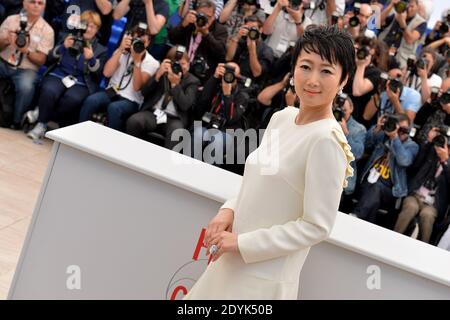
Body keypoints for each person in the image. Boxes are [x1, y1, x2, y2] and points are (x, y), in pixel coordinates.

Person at [184, 25, 355, 300]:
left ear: (344, 79)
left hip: (262, 280)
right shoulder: (282, 118)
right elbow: (256, 182)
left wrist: (242, 243)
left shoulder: (327, 141)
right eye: (306, 66)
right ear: (293, 69)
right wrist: (228, 210)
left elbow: (316, 226)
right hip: (228, 260)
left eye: (326, 71)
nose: (312, 80)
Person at [27, 10, 107, 140]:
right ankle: (41, 125)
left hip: (81, 82)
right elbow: (50, 57)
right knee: (49, 90)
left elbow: (99, 74)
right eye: (86, 24)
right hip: (59, 74)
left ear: (97, 29)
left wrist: (91, 58)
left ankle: (40, 113)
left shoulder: (101, 49)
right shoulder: (68, 37)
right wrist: (63, 46)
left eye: (93, 26)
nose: (88, 28)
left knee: (72, 99)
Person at [79, 24, 160, 131]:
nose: (138, 44)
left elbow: (137, 87)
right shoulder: (122, 51)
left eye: (142, 42)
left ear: (148, 42)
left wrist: (137, 62)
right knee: (91, 100)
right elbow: (107, 73)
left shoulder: (152, 62)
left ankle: (110, 144)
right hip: (111, 92)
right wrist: (121, 49)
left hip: (131, 100)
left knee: (114, 108)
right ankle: (79, 132)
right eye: (136, 40)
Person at [126, 45, 200, 149]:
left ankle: (167, 164)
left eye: (183, 63)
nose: (179, 67)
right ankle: (130, 151)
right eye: (176, 63)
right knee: (134, 121)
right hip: (153, 113)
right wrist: (157, 75)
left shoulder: (192, 81)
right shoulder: (162, 71)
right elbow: (144, 92)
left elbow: (185, 105)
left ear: (188, 64)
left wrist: (175, 85)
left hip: (175, 118)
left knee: (177, 133)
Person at [0, 0, 54, 129]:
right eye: (32, 2)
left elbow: (41, 60)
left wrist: (26, 51)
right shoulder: (11, 19)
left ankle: (16, 121)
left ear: (44, 7)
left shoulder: (47, 30)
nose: (36, 5)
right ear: (24, 4)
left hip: (26, 69)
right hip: (3, 61)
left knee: (26, 87)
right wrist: (7, 40)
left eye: (40, 3)